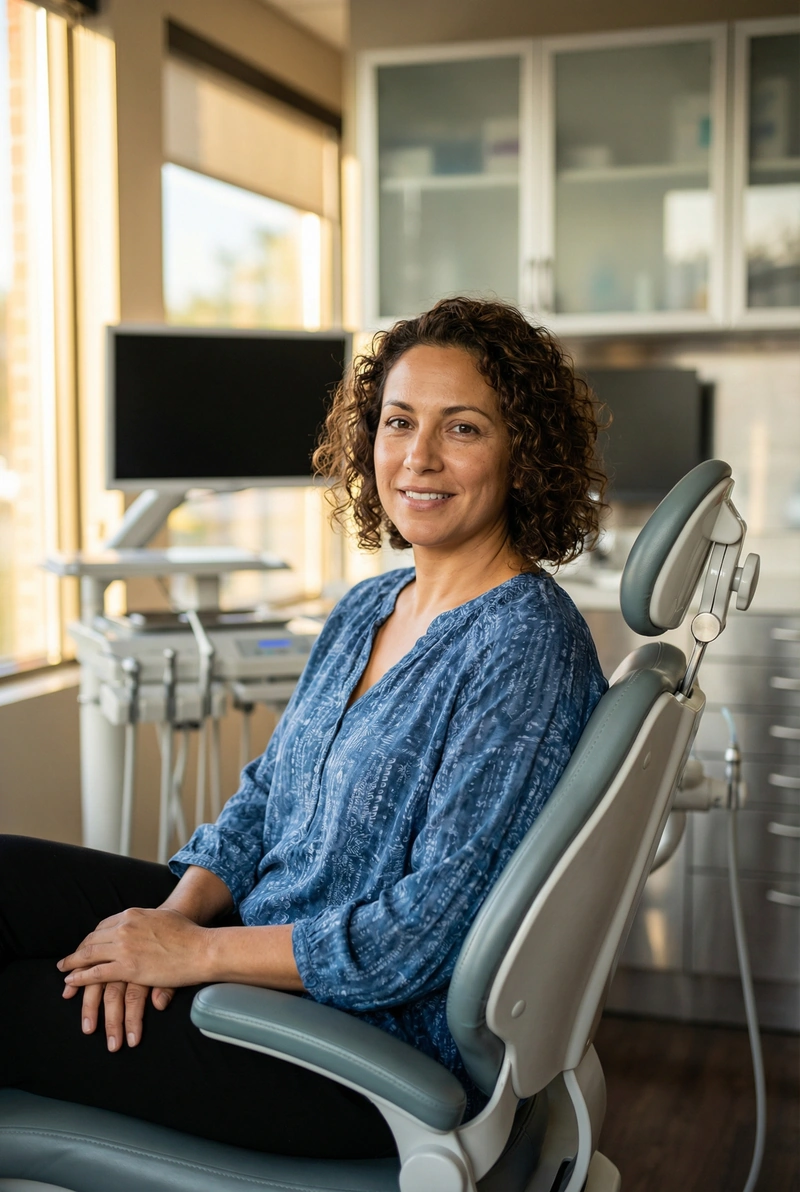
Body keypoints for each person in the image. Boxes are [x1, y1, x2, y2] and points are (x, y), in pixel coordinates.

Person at [0, 297, 608, 1160]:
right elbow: (264, 799)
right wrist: (168, 922)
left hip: (353, 1042)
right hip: (255, 949)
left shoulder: (527, 645)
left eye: (463, 428)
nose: (419, 457)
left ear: (524, 452)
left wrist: (193, 957)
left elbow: (422, 937)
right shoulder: (369, 606)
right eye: (399, 422)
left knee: (15, 1002)